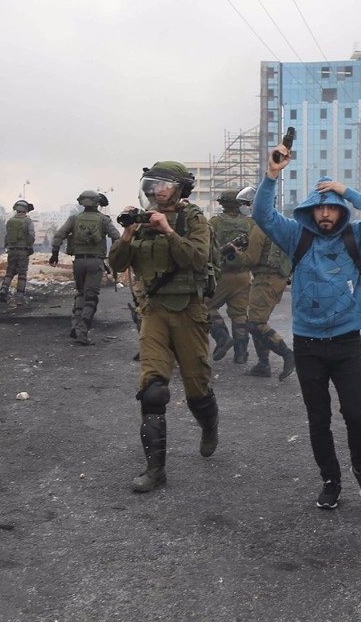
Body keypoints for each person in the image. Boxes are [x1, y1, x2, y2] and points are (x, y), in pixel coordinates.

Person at [251, 144, 361, 510]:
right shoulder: (297, 235)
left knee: (356, 413)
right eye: (320, 207)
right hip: (308, 344)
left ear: (341, 210)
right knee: (318, 418)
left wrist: (346, 191)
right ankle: (331, 479)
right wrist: (272, 175)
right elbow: (262, 214)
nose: (326, 213)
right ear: (310, 211)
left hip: (346, 343)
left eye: (332, 207)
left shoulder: (359, 236)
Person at [108, 161, 220, 493]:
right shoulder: (140, 222)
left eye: (165, 184)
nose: (157, 190)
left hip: (189, 310)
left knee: (197, 388)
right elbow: (117, 264)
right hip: (154, 311)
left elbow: (198, 259)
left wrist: (169, 232)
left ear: (181, 188)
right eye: (153, 184)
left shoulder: (194, 219)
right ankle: (155, 471)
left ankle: (209, 425)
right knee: (153, 390)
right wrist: (128, 232)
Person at [50, 190, 121, 345]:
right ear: (97, 202)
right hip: (95, 262)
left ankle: (75, 325)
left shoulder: (74, 219)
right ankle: (82, 330)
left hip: (79, 262)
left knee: (81, 293)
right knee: (91, 298)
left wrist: (55, 254)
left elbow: (58, 236)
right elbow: (117, 237)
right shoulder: (104, 220)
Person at [207, 189, 256, 364]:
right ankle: (241, 353)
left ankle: (222, 338)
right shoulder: (250, 224)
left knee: (205, 308)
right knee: (240, 314)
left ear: (223, 204)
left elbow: (206, 247)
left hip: (222, 275)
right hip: (243, 275)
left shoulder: (214, 222)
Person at [243, 222, 296, 381]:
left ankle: (287, 354)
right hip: (279, 278)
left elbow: (251, 259)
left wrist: (236, 253)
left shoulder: (261, 227)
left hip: (265, 279)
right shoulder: (280, 225)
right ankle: (263, 364)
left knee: (255, 323)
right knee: (256, 320)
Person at [0, 199, 36, 304]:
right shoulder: (28, 221)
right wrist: (30, 246)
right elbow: (31, 235)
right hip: (23, 251)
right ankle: (19, 297)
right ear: (25, 209)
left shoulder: (10, 221)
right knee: (22, 274)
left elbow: (6, 235)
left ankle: (4, 289)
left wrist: (7, 246)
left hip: (11, 250)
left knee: (10, 272)